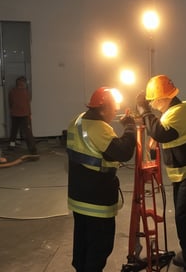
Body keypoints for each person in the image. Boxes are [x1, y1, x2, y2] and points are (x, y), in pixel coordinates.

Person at [136, 75, 186, 272]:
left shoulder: (181, 111)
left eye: (152, 100)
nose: (152, 104)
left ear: (162, 98)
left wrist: (144, 112)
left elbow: (162, 133)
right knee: (183, 218)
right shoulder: (170, 112)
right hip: (183, 174)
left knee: (185, 218)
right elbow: (162, 133)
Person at [66, 86, 136, 272]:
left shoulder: (78, 121)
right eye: (114, 107)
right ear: (104, 107)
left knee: (82, 242)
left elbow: (91, 151)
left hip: (78, 197)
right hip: (96, 201)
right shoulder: (98, 128)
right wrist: (130, 127)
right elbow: (123, 152)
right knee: (100, 247)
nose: (115, 112)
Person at [8, 76, 37, 154]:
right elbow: (28, 104)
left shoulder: (12, 91)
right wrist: (30, 114)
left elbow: (10, 103)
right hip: (24, 115)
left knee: (13, 131)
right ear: (23, 83)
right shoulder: (26, 92)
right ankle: (32, 149)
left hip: (14, 115)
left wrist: (13, 110)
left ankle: (11, 146)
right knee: (27, 133)